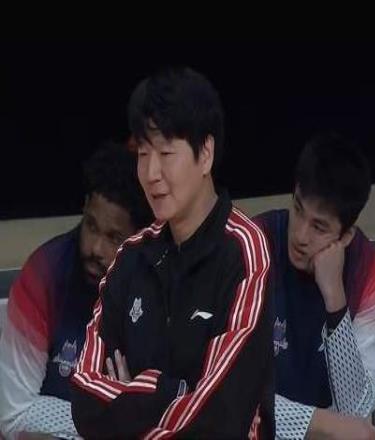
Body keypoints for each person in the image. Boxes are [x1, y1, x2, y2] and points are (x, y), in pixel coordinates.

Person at [70, 66, 275, 439]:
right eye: (143, 152)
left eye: (166, 152)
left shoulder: (245, 251)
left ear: (206, 154)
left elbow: (220, 419)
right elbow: (84, 398)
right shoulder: (131, 256)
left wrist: (132, 393)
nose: (151, 172)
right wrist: (172, 391)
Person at [0, 142, 153, 439]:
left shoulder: (158, 286)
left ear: (140, 238)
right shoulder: (44, 274)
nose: (95, 248)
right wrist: (104, 422)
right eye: (91, 226)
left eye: (113, 237)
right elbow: (12, 415)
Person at [254, 132, 375, 440]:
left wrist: (335, 299)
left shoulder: (369, 270)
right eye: (298, 209)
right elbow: (235, 397)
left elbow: (357, 412)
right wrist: (319, 422)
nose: (300, 236)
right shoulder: (255, 244)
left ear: (345, 236)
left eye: (319, 227)